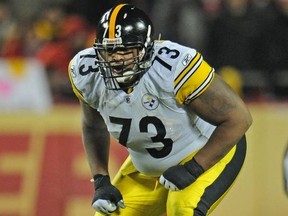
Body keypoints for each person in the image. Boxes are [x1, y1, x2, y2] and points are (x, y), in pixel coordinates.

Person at [68, 3, 252, 215]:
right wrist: (101, 180)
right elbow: (93, 125)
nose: (117, 58)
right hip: (147, 166)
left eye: (126, 50)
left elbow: (239, 118)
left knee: (182, 209)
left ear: (146, 49)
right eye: (109, 51)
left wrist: (193, 168)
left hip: (203, 150)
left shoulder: (173, 67)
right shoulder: (85, 72)